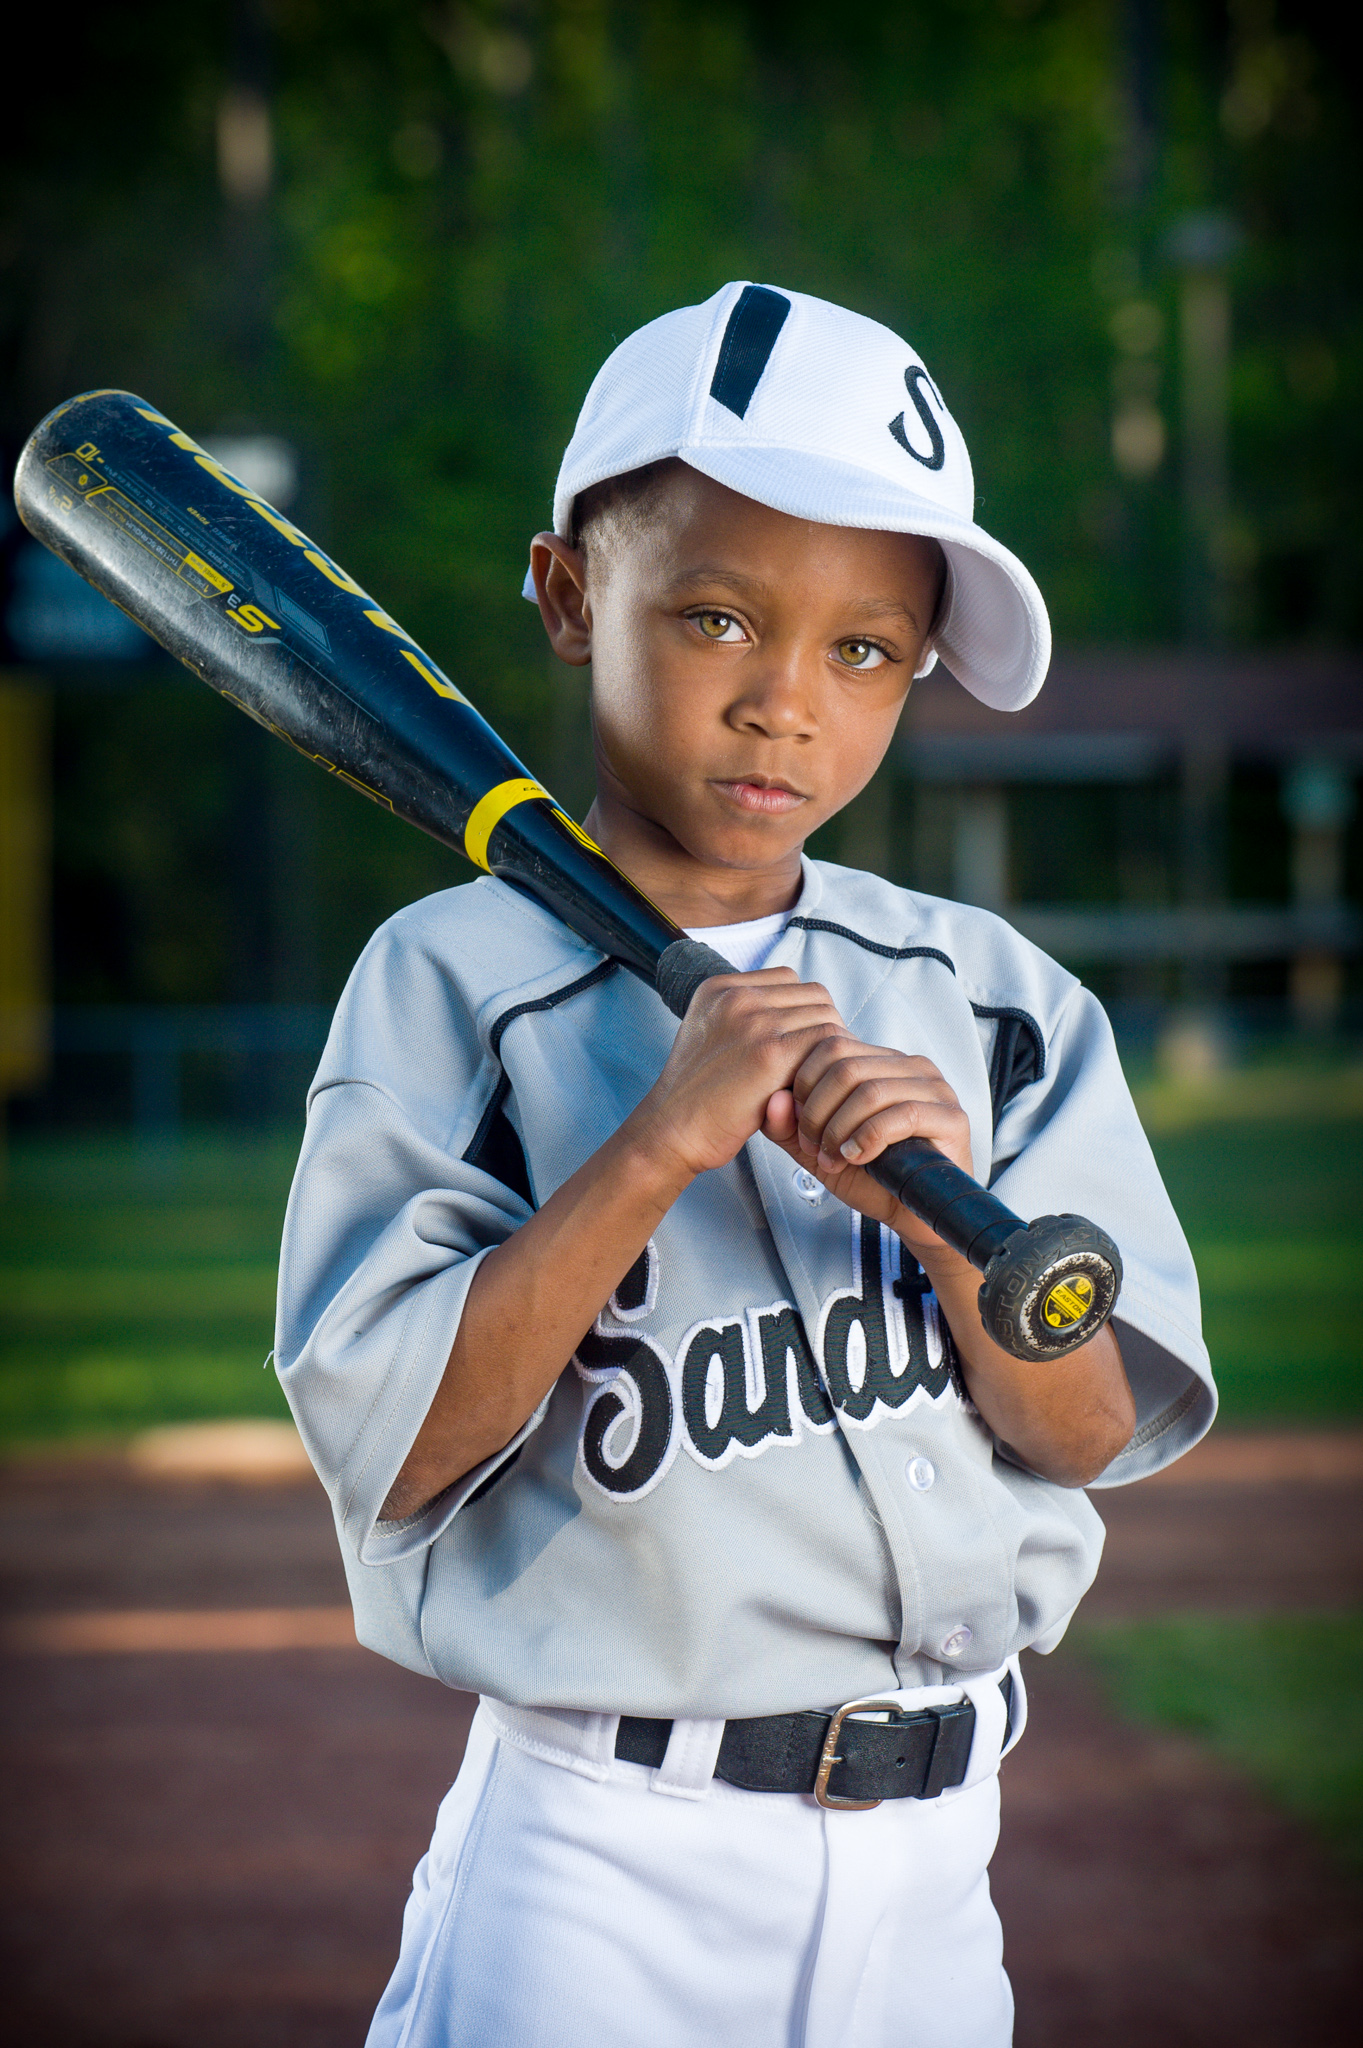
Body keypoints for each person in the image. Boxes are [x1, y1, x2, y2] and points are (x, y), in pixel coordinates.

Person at [275, 283, 1214, 2048]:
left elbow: (1088, 1430)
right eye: (717, 617)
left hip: (940, 1881)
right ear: (570, 595)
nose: (789, 705)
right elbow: (395, 1447)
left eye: (868, 651)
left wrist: (955, 1233)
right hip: (605, 1867)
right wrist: (654, 1148)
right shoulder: (450, 987)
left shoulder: (994, 1002)